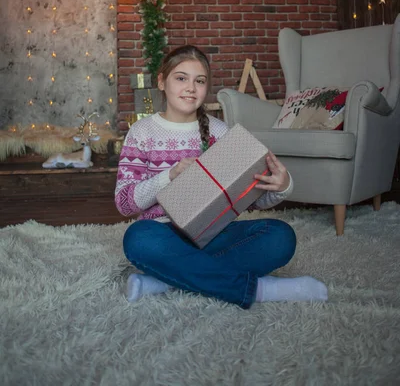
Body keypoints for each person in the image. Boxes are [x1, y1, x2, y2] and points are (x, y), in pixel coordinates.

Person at [115, 45, 328, 309]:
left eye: (199, 81)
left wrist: (282, 187)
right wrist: (170, 175)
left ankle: (165, 280)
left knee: (280, 236)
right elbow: (125, 204)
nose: (191, 88)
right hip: (162, 234)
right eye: (181, 78)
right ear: (161, 81)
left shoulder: (219, 132)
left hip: (214, 233)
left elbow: (249, 199)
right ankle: (260, 289)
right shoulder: (141, 132)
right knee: (137, 238)